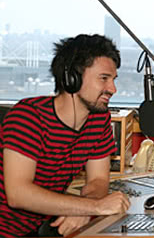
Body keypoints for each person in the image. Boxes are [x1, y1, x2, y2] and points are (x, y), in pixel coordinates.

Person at [0, 34, 131, 237]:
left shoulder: (99, 119)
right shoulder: (28, 117)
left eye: (113, 79)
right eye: (104, 78)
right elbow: (18, 194)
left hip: (43, 227)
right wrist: (93, 208)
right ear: (72, 78)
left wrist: (83, 209)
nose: (112, 89)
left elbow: (98, 180)